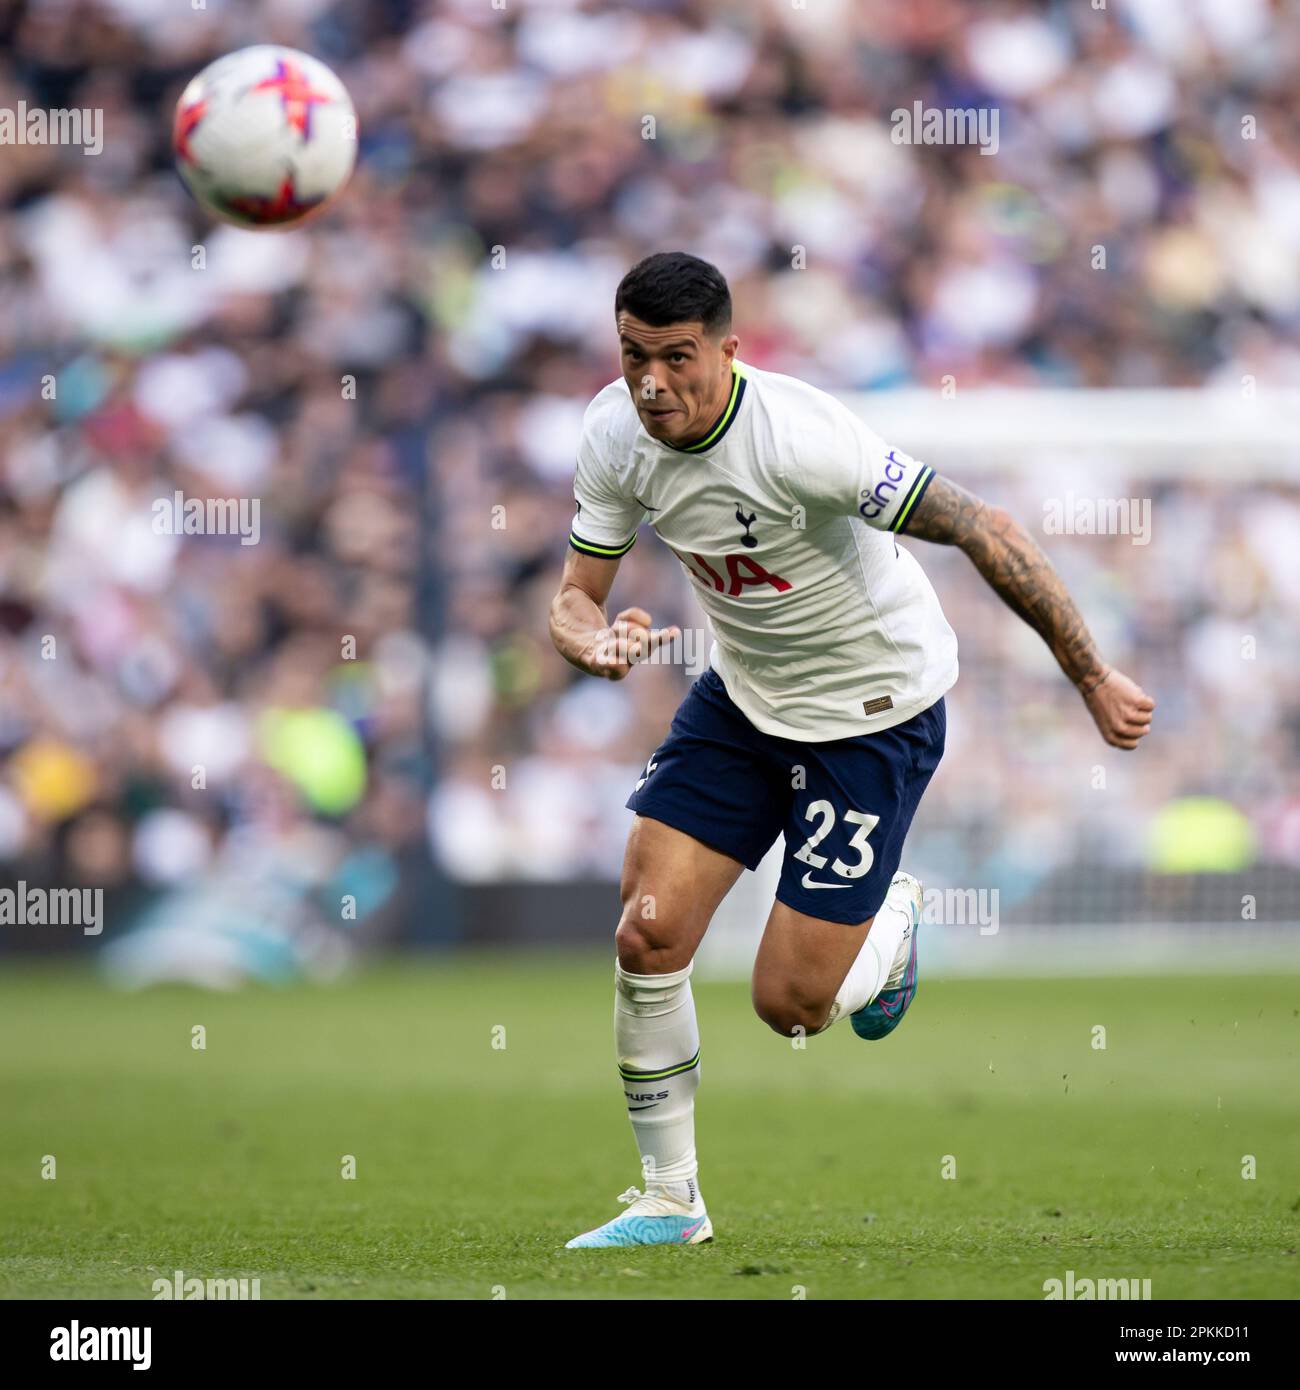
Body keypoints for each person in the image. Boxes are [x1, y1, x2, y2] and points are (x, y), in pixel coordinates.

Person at [547, 251, 1155, 1248]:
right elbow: (578, 592)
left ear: (728, 352)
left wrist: (1088, 673)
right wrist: (582, 635)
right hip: (742, 700)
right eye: (631, 357)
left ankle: (895, 921)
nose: (651, 382)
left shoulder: (803, 438)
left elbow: (977, 524)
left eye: (675, 358)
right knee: (646, 934)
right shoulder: (614, 432)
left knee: (789, 1007)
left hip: (870, 712)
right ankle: (670, 1197)